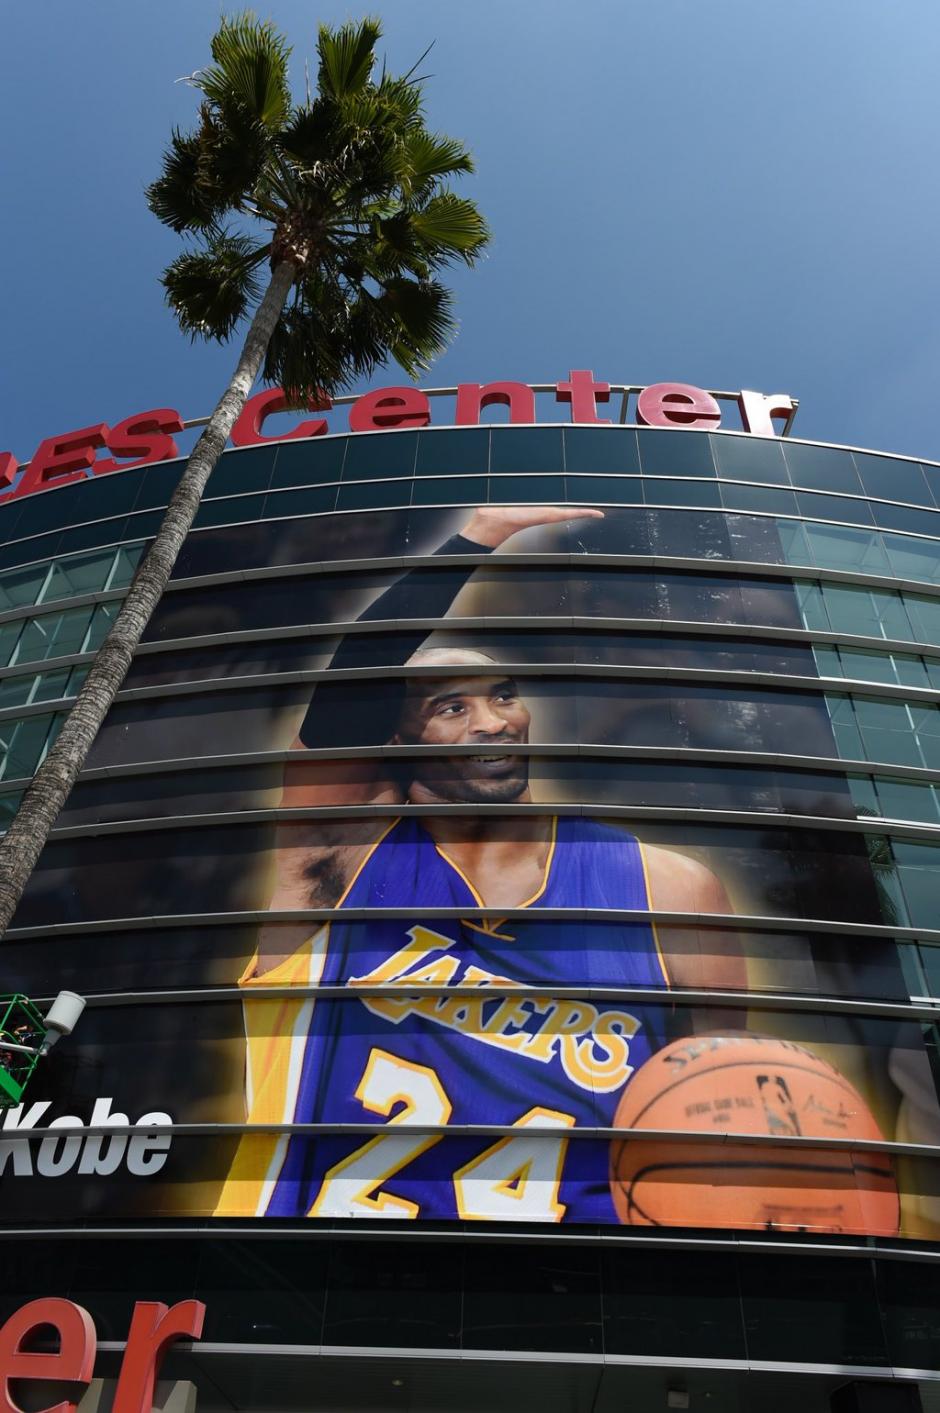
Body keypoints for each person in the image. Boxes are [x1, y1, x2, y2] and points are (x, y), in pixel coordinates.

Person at [216, 506, 745, 1223]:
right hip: (315, 1279)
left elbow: (722, 1104)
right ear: (397, 740)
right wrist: (477, 538)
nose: (493, 720)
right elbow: (348, 690)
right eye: (450, 707)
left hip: (590, 1288)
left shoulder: (667, 886)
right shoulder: (337, 858)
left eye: (502, 695)